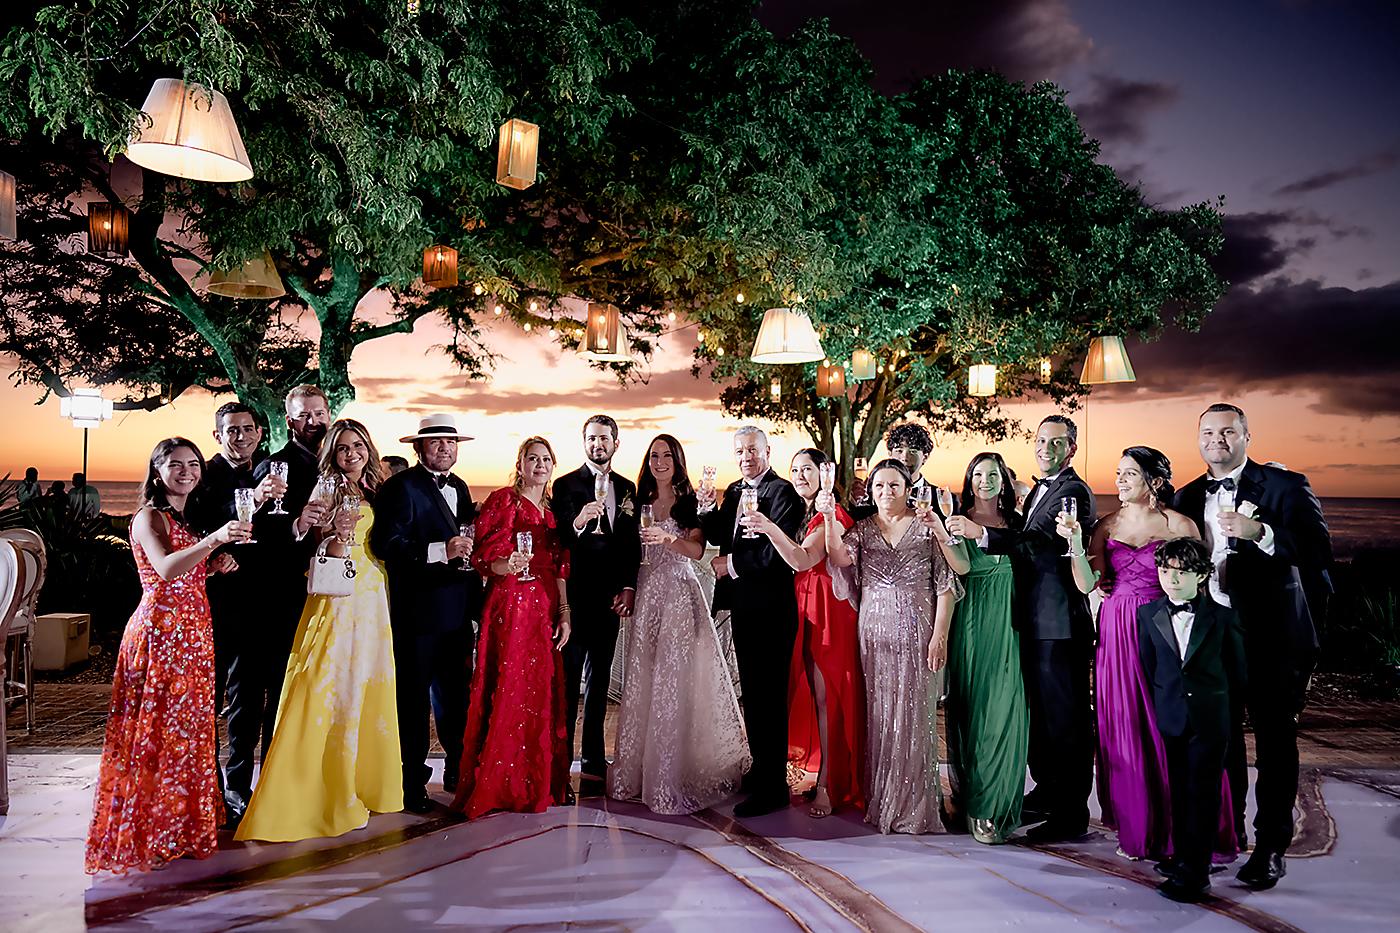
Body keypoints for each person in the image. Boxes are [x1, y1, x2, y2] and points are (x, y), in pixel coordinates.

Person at [1174, 403, 1331, 890]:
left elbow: (1317, 550)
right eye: (1208, 431)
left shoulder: (1284, 485)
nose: (1216, 439)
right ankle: (1226, 836)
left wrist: (1261, 533)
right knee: (1218, 745)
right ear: (1197, 438)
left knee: (1274, 743)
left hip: (1272, 638)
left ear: (1247, 436)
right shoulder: (1186, 494)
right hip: (1212, 638)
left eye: (1227, 431)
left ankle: (1270, 849)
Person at [1056, 446, 1235, 863]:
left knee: (1167, 722)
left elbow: (1200, 584)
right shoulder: (1106, 524)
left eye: (1129, 474)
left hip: (1164, 629)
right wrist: (1077, 545)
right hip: (1118, 629)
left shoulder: (1179, 524)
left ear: (1154, 481)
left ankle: (1184, 829)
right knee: (1125, 725)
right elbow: (1087, 585)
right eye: (1118, 473)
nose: (1119, 480)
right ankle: (1140, 827)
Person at [86, 439, 250, 873]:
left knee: (188, 731)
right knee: (157, 733)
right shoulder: (147, 516)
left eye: (193, 464)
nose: (187, 471)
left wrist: (211, 568)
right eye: (175, 464)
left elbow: (186, 574)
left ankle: (178, 827)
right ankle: (150, 831)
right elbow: (164, 569)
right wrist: (214, 541)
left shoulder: (182, 517)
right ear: (156, 471)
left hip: (193, 635)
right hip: (160, 636)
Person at [237, 419, 403, 841]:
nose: (352, 454)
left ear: (369, 448)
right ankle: (324, 790)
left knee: (366, 684)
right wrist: (337, 536)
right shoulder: (327, 486)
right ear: (332, 452)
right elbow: (315, 545)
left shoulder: (374, 487)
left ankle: (367, 782)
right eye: (343, 448)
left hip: (373, 595)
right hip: (340, 594)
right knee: (333, 684)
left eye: (358, 446)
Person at [948, 415, 1096, 842]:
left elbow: (1043, 545)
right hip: (1029, 623)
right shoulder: (1035, 496)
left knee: (1067, 722)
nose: (1045, 448)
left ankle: (1071, 814)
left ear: (1071, 449)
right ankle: (1048, 792)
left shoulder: (1074, 493)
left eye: (1056, 442)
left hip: (1059, 625)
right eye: (1039, 439)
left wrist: (985, 537)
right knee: (1043, 721)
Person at [609, 434, 750, 814]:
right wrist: (627, 587)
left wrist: (666, 538)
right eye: (654, 456)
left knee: (674, 683)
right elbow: (627, 550)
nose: (659, 462)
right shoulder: (636, 501)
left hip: (677, 593)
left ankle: (669, 775)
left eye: (666, 455)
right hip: (647, 591)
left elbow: (697, 551)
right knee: (644, 680)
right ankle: (637, 772)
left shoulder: (691, 502)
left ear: (678, 460)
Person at [826, 459, 958, 834]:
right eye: (879, 486)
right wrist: (831, 520)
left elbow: (945, 587)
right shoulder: (864, 530)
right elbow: (838, 558)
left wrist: (940, 635)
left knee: (915, 717)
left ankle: (916, 806)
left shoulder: (927, 527)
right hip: (874, 633)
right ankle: (884, 801)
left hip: (918, 631)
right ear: (870, 491)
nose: (886, 492)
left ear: (907, 488)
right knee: (881, 717)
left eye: (894, 486)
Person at [452, 437, 572, 818]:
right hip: (512, 605)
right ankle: (501, 785)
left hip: (546, 607)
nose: (539, 464)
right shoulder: (505, 500)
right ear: (520, 464)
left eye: (545, 458)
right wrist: (508, 564)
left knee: (539, 692)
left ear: (553, 465)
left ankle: (536, 781)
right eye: (532, 458)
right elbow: (483, 556)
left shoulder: (552, 512)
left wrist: (565, 610)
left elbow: (560, 565)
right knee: (508, 689)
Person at [743, 448, 864, 819]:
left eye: (807, 469)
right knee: (817, 698)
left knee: (831, 700)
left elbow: (801, 559)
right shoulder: (807, 513)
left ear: (824, 474)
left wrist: (766, 526)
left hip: (831, 616)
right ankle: (825, 775)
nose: (799, 476)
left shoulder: (831, 516)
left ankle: (830, 786)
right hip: (809, 612)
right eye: (794, 470)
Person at [371, 414, 482, 813]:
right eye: (434, 443)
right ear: (418, 448)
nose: (444, 449)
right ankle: (411, 784)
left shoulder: (462, 487)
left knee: (457, 700)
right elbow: (387, 544)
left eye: (450, 443)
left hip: (456, 614)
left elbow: (467, 539)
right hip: (416, 615)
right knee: (413, 703)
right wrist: (440, 551)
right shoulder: (400, 487)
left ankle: (456, 772)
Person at [230, 386, 329, 819]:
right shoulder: (274, 467)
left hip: (316, 601)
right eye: (304, 415)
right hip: (265, 600)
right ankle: (236, 790)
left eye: (320, 413)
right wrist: (295, 526)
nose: (314, 421)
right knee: (249, 696)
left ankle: (278, 784)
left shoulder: (336, 466)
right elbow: (253, 532)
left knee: (291, 697)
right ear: (290, 421)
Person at [698, 426, 806, 817]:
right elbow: (715, 532)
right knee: (754, 697)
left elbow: (777, 556)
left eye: (753, 450)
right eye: (740, 451)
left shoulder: (783, 493)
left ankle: (773, 788)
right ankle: (762, 771)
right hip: (744, 608)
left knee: (769, 698)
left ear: (767, 451)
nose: (746, 457)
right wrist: (705, 506)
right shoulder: (732, 491)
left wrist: (732, 564)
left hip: (773, 610)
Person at [186, 402, 284, 823]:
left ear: (259, 433)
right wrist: (215, 555)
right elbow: (190, 529)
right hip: (215, 603)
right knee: (207, 699)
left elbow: (280, 533)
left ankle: (239, 788)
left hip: (262, 604)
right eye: (232, 430)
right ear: (217, 436)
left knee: (248, 702)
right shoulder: (201, 477)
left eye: (247, 429)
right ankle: (204, 791)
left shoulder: (271, 470)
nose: (240, 436)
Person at [1138, 538, 1247, 903]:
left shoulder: (1223, 618)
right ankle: (1183, 857)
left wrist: (1224, 717)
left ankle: (1197, 873)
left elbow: (1237, 674)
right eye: (1165, 571)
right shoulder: (1148, 615)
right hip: (1172, 718)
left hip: (1210, 722)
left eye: (1181, 572)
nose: (1171, 579)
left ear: (1201, 575)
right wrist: (1165, 707)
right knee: (1179, 793)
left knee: (1203, 795)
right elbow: (1150, 665)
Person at [940, 452, 1027, 844]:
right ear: (969, 479)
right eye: (978, 473)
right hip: (969, 621)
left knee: (1001, 713)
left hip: (1007, 624)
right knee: (969, 712)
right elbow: (958, 564)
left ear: (1004, 481)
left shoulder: (1018, 523)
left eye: (993, 474)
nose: (985, 480)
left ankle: (993, 807)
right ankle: (971, 799)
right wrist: (944, 531)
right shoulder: (956, 518)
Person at [551, 415, 640, 797]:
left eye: (604, 439)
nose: (597, 445)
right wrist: (579, 520)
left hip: (608, 600)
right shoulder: (565, 485)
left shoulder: (627, 487)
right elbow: (557, 538)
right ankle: (561, 760)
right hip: (575, 596)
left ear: (615, 444)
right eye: (591, 438)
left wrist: (628, 586)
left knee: (600, 682)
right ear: (583, 442)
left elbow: (630, 543)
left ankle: (591, 761)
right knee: (569, 683)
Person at [849, 422, 948, 520]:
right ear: (890, 454)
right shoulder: (872, 494)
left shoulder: (942, 499)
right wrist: (855, 503)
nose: (904, 457)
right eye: (899, 451)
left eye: (912, 451)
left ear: (925, 457)